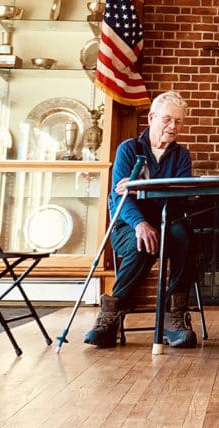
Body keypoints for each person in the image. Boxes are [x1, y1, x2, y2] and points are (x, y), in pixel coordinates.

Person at [84, 90, 198, 349]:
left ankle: (173, 317)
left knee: (185, 236)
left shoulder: (181, 155)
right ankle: (110, 316)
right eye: (167, 119)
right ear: (152, 117)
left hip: (168, 222)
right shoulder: (129, 149)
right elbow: (120, 199)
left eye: (178, 122)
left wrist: (143, 186)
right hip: (129, 224)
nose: (173, 127)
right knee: (143, 244)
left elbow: (180, 195)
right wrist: (140, 223)